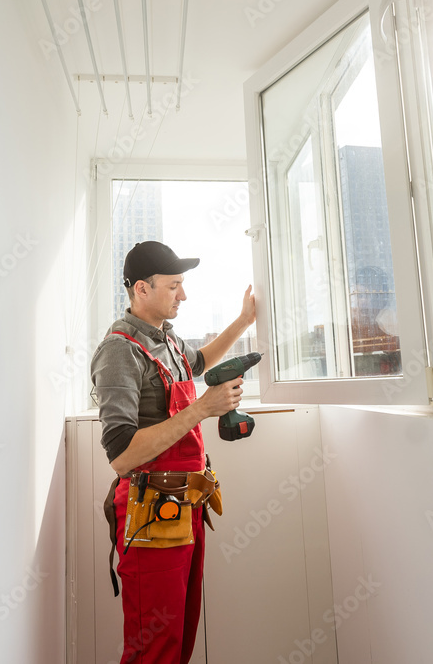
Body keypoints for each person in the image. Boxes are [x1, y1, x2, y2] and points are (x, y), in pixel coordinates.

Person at [91, 240, 255, 663]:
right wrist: (202, 408)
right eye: (174, 286)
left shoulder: (165, 338)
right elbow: (122, 454)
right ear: (141, 289)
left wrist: (243, 321)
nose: (184, 295)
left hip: (185, 506)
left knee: (179, 639)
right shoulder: (119, 351)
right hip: (151, 516)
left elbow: (197, 362)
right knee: (154, 647)